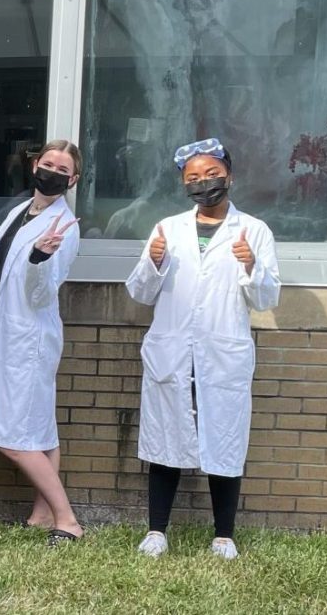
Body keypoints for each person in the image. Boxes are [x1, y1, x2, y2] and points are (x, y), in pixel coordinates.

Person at [126, 138, 279, 560]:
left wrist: (252, 266)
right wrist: (153, 261)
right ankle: (157, 531)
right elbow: (140, 292)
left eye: (211, 174)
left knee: (224, 439)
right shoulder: (167, 229)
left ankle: (224, 535)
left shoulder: (254, 230)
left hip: (221, 354)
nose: (203, 183)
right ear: (183, 184)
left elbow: (267, 299)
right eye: (192, 177)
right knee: (165, 440)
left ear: (228, 175)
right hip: (172, 353)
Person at [0, 139, 85, 547]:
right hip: (4, 335)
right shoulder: (20, 211)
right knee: (40, 431)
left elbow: (41, 294)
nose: (52, 171)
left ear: (72, 179)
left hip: (29, 340)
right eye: (47, 162)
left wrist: (40, 258)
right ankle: (40, 515)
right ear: (35, 164)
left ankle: (67, 518)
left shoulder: (63, 228)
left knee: (12, 437)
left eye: (62, 168)